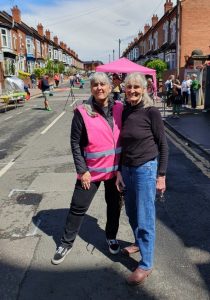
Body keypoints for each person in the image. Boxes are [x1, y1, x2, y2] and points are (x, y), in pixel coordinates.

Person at [51, 72, 124, 265]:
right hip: (90, 172)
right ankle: (66, 243)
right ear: (91, 88)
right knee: (78, 207)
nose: (99, 87)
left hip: (115, 173)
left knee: (115, 207)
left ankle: (111, 236)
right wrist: (82, 171)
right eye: (95, 84)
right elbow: (75, 142)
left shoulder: (119, 108)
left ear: (110, 87)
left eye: (103, 84)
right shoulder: (82, 111)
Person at [116, 72, 168, 285]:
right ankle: (138, 242)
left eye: (137, 87)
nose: (133, 91)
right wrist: (119, 170)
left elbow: (163, 145)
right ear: (125, 89)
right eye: (129, 87)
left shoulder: (151, 112)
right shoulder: (126, 110)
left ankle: (146, 263)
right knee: (131, 211)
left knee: (145, 215)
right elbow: (123, 143)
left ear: (144, 89)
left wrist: (161, 175)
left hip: (145, 169)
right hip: (127, 169)